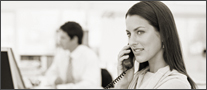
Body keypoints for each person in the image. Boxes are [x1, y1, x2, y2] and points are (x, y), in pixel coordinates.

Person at [115, 1, 197, 89]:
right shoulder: (137, 78)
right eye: (129, 34)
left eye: (140, 32)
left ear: (163, 34)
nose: (131, 42)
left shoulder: (176, 84)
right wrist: (122, 85)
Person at [40, 21, 102, 89]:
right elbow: (50, 73)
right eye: (60, 38)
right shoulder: (61, 54)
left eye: (63, 38)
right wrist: (54, 80)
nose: (59, 41)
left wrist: (63, 87)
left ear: (74, 39)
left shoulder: (89, 56)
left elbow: (90, 84)